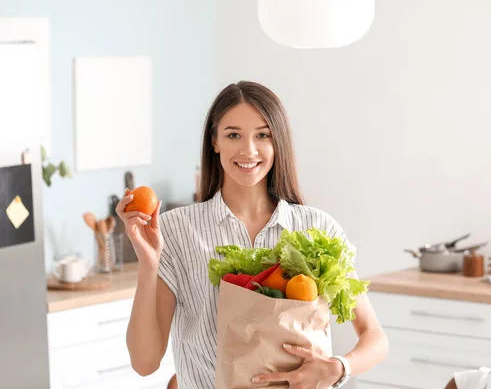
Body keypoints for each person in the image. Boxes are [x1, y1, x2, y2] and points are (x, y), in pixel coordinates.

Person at [116, 81, 389, 389]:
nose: (249, 150)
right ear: (215, 142)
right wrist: (147, 264)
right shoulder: (176, 231)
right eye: (234, 135)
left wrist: (338, 368)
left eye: (263, 135)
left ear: (278, 142)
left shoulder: (318, 228)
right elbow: (144, 363)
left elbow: (375, 339)